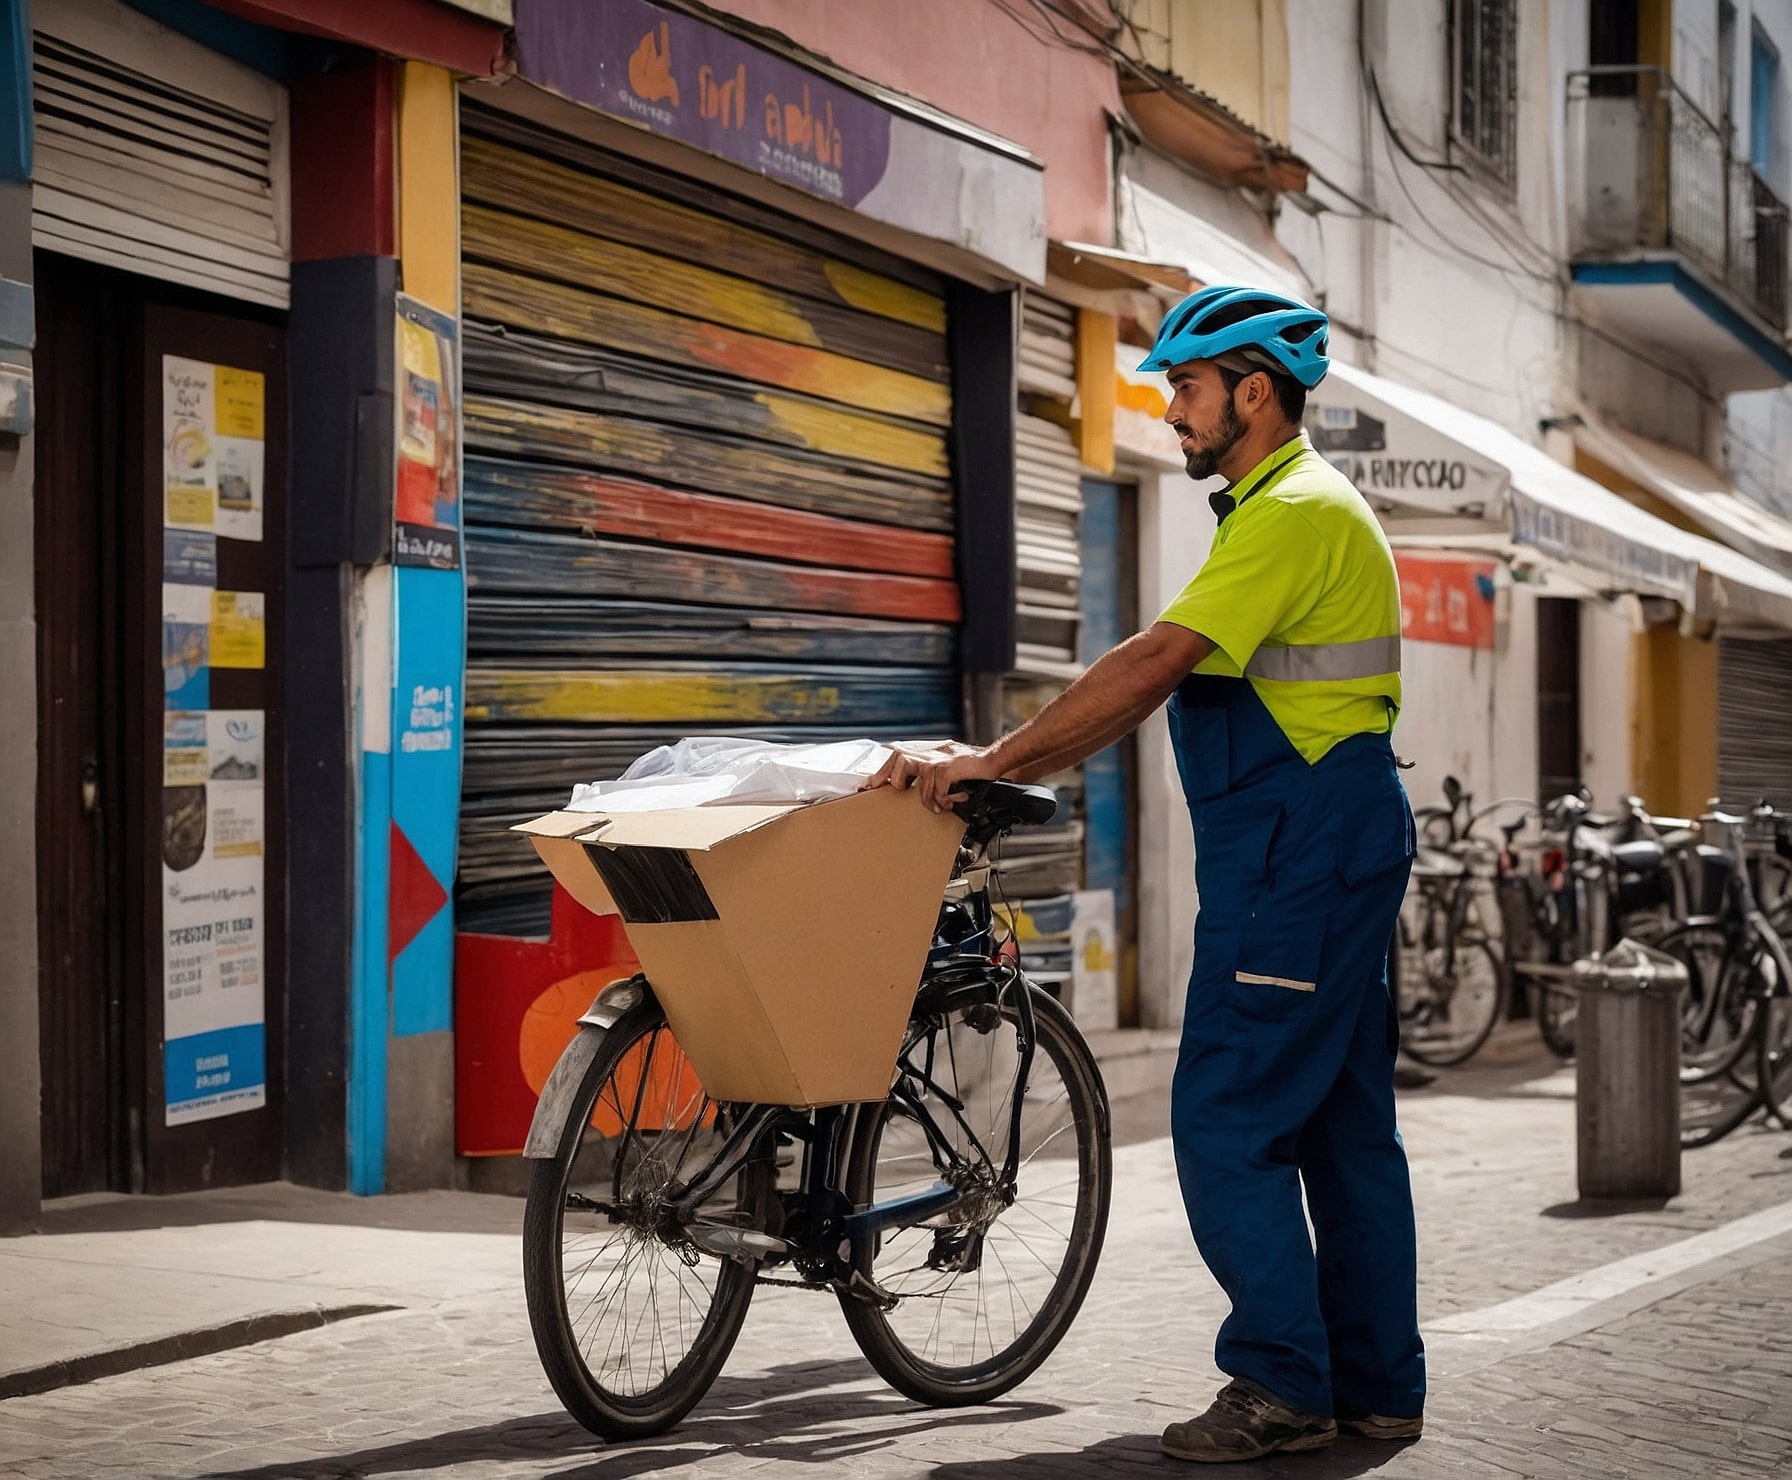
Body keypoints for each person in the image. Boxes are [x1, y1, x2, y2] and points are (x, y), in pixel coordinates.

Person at [868, 285, 1425, 1463]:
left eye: (1186, 387)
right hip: (1324, 841)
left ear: (1253, 391)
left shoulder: (1291, 512)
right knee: (1339, 1123)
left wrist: (997, 759)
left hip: (1298, 850)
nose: (1172, 410)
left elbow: (1155, 660)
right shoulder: (1288, 509)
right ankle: (1374, 1386)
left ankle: (1280, 1383)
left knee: (1224, 1118)